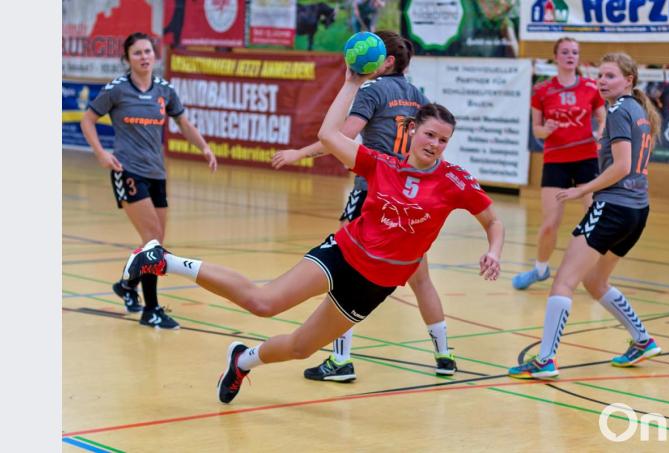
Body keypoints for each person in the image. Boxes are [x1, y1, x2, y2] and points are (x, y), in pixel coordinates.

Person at [119, 69, 505, 405]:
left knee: (302, 347)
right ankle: (162, 260)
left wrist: (494, 251)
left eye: (443, 140)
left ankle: (242, 361)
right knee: (263, 302)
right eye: (430, 134)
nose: (435, 145)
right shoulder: (379, 163)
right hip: (343, 255)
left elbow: (493, 221)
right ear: (413, 131)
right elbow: (328, 134)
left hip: (375, 285)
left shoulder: (455, 181)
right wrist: (352, 82)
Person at [272, 31, 459, 381]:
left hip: (374, 190)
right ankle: (444, 354)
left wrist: (300, 152)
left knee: (343, 273)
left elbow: (342, 136)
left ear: (385, 61)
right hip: (410, 195)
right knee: (422, 280)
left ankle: (340, 362)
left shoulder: (372, 90)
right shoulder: (418, 96)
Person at [507, 52, 662, 379]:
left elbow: (621, 165)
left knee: (563, 281)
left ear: (628, 80)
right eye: (600, 76)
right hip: (637, 210)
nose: (602, 81)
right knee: (595, 281)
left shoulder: (620, 110)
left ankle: (545, 360)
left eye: (610, 76)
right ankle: (642, 339)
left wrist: (583, 189)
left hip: (614, 206)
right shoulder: (637, 110)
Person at [80, 32, 217, 329]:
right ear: (127, 58)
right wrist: (101, 153)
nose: (144, 57)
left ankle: (127, 286)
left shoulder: (165, 90)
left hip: (158, 173)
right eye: (137, 53)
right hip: (127, 170)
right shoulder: (117, 90)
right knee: (153, 242)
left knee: (155, 243)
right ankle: (151, 310)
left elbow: (183, 122)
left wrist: (204, 147)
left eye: (148, 52)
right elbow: (87, 120)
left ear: (155, 56)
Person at [512, 37, 606, 290]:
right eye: (565, 52)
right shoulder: (542, 90)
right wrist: (547, 129)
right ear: (556, 57)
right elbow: (537, 130)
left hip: (586, 159)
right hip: (556, 161)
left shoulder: (590, 86)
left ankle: (594, 273)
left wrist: (601, 133)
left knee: (595, 219)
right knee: (550, 224)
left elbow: (602, 117)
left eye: (575, 52)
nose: (570, 56)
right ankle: (540, 269)